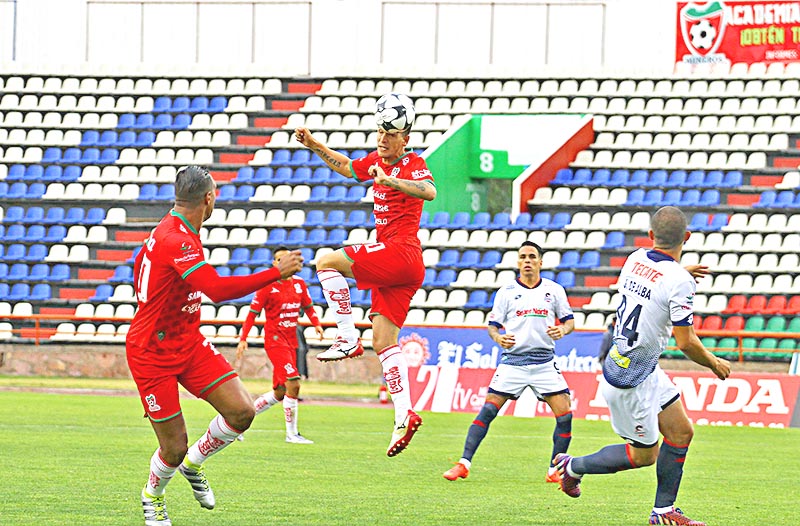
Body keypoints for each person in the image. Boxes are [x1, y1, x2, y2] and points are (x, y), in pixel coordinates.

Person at [126, 166, 303, 526]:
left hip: (187, 342)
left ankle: (196, 462)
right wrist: (276, 272)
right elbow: (218, 291)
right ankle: (153, 496)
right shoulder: (177, 239)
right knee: (172, 448)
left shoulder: (176, 228)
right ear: (209, 198)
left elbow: (145, 271)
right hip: (152, 352)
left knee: (242, 412)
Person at [554, 206, 731, 526]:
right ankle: (571, 467)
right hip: (629, 378)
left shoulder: (635, 258)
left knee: (681, 433)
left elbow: (658, 277)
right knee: (643, 456)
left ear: (650, 236)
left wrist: (681, 272)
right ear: (687, 238)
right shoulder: (678, 280)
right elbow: (686, 341)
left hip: (640, 365)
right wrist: (714, 363)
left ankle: (663, 512)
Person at [293, 94, 436, 457]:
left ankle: (345, 337)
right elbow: (346, 166)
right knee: (384, 342)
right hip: (401, 267)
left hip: (401, 253)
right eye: (380, 131)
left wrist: (391, 180)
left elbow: (429, 191)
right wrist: (314, 144)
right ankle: (404, 416)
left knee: (325, 260)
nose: (382, 138)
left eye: (390, 134)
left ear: (405, 138)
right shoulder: (376, 160)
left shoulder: (412, 164)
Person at [443, 241, 575, 483]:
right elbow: (492, 326)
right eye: (522, 256)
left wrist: (563, 331)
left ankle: (554, 470)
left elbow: (569, 321)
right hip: (513, 362)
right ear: (518, 262)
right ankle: (463, 463)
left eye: (531, 256)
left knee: (565, 414)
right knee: (489, 410)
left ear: (540, 262)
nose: (527, 260)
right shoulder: (506, 292)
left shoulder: (554, 290)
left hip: (544, 362)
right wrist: (499, 338)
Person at [235, 246, 324, 444]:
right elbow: (252, 314)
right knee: (294, 382)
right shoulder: (267, 285)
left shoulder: (300, 284)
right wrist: (243, 338)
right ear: (275, 263)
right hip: (275, 341)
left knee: (280, 392)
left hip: (292, 340)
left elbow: (308, 306)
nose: (283, 262)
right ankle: (291, 434)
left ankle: (236, 425)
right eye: (279, 259)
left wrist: (317, 324)